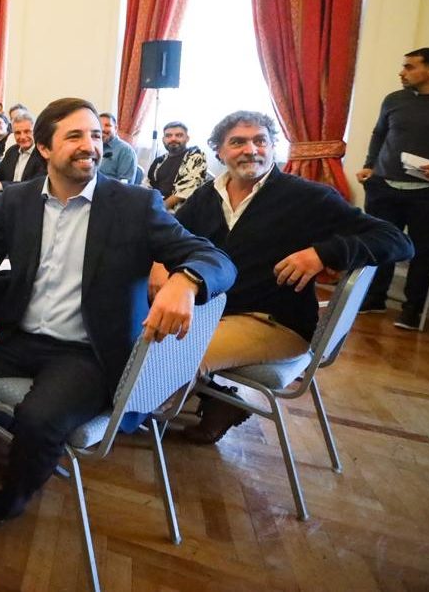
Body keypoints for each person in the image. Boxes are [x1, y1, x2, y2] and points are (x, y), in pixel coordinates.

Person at [0, 97, 235, 525]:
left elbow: (216, 259)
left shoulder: (134, 205)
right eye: (74, 136)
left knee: (38, 419)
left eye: (95, 135)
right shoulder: (18, 200)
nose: (90, 145)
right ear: (44, 148)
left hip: (87, 351)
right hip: (19, 336)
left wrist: (186, 281)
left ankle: (10, 500)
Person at [156, 111, 412, 443]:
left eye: (260, 140)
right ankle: (216, 401)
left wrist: (323, 253)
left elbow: (397, 240)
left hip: (274, 322)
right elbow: (172, 237)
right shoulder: (208, 195)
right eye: (238, 142)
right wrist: (158, 264)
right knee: (134, 327)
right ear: (219, 151)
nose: (251, 149)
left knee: (169, 354)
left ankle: (132, 418)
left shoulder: (306, 197)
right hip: (213, 313)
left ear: (273, 146)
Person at [358, 47, 429, 329]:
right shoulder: (394, 99)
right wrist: (370, 165)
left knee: (423, 252)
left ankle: (411, 311)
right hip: (384, 187)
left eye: (409, 67)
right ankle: (374, 299)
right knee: (380, 244)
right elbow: (379, 133)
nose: (402, 72)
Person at [148, 121, 212, 211]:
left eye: (179, 135)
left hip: (178, 211)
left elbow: (184, 192)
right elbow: (148, 185)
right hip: (156, 205)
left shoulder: (195, 157)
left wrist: (157, 210)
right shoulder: (159, 161)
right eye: (168, 136)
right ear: (163, 139)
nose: (173, 139)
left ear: (187, 138)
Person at [97, 111, 139, 183]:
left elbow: (125, 185)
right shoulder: (95, 146)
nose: (102, 129)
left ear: (116, 128)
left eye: (107, 125)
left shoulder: (126, 151)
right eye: (100, 125)